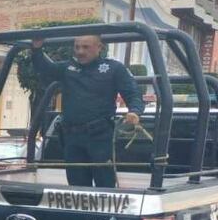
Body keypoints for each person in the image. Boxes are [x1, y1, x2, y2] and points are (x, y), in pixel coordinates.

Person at [32, 35, 144, 188]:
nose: (80, 51)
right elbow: (44, 68)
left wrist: (135, 111)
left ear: (99, 47)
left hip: (100, 136)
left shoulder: (113, 69)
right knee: (77, 186)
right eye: (77, 47)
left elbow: (133, 93)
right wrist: (37, 49)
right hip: (72, 137)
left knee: (104, 185)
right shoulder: (67, 68)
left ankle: (106, 212)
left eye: (86, 47)